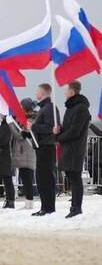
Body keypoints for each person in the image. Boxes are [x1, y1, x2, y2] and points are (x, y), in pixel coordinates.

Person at [54, 81, 91, 218]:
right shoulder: (70, 108)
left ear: (72, 91)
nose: (64, 93)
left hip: (75, 149)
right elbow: (68, 128)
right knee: (71, 177)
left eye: (66, 90)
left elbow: (75, 131)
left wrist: (59, 137)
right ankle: (74, 206)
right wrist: (58, 131)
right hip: (67, 148)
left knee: (75, 178)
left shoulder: (81, 109)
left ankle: (76, 207)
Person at [28, 83, 59, 216]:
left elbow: (49, 128)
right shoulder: (43, 108)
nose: (36, 93)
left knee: (45, 178)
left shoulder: (50, 108)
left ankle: (49, 207)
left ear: (43, 92)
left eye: (37, 91)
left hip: (47, 147)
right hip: (41, 147)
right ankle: (45, 206)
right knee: (41, 178)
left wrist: (34, 127)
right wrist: (28, 132)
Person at [8, 98, 37, 210]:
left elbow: (20, 136)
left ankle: (29, 202)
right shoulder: (23, 119)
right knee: (25, 178)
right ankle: (28, 200)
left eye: (21, 106)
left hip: (27, 152)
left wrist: (11, 125)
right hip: (22, 153)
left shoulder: (29, 120)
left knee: (27, 178)